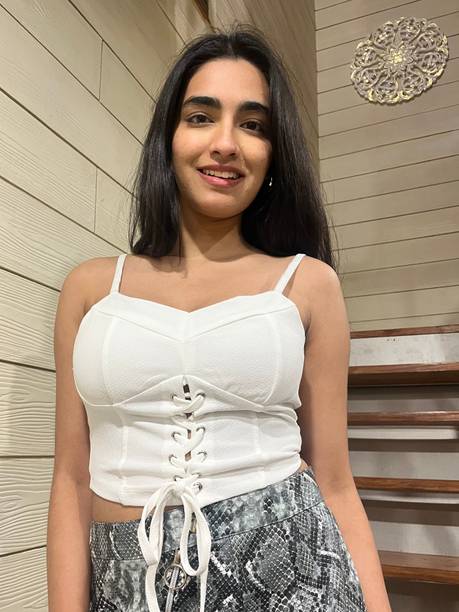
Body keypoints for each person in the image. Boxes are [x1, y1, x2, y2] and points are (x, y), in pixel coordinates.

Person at [47, 23, 391, 612]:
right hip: (128, 580)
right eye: (202, 116)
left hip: (293, 570)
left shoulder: (308, 284)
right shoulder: (90, 289)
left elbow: (335, 480)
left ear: (273, 153)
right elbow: (71, 480)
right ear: (168, 138)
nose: (226, 143)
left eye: (253, 125)